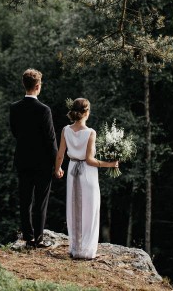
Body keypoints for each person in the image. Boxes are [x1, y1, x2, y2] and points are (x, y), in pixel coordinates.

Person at [54, 98, 118, 259]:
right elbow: (90, 159)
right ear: (86, 112)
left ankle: (76, 247)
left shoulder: (65, 130)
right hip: (87, 173)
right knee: (90, 209)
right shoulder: (90, 132)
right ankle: (87, 250)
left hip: (72, 169)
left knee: (74, 207)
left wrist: (57, 169)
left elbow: (60, 154)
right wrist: (110, 164)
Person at [10, 69, 58, 248]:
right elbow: (51, 139)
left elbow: (15, 132)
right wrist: (57, 164)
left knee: (25, 200)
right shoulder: (44, 110)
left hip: (22, 160)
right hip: (42, 163)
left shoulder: (14, 108)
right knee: (40, 201)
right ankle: (38, 239)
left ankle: (27, 236)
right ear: (38, 86)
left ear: (25, 85)